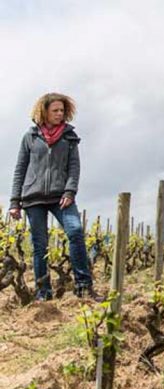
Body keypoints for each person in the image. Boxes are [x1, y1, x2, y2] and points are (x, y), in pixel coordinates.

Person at [8, 93, 102, 301]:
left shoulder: (69, 137)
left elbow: (74, 168)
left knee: (76, 231)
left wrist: (70, 191)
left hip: (62, 196)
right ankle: (43, 293)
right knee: (39, 244)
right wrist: (15, 202)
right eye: (55, 110)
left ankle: (83, 286)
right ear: (45, 111)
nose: (60, 114)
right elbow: (20, 169)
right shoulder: (30, 137)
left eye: (62, 111)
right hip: (33, 198)